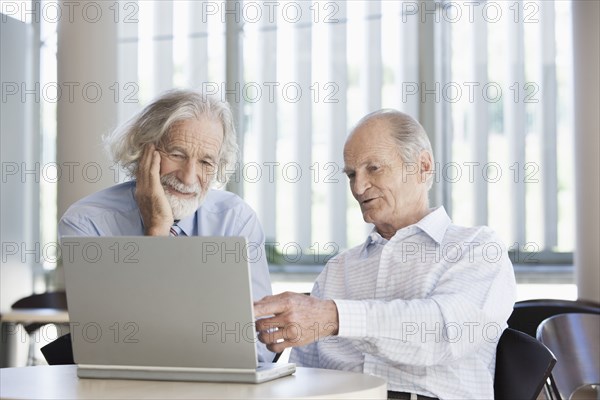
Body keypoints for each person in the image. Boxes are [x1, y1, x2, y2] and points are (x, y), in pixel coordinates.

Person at [254, 109, 517, 399]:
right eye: (352, 174)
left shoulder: (476, 249)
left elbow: (443, 332)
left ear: (423, 167)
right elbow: (305, 375)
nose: (358, 187)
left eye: (374, 168)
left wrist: (334, 316)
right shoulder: (338, 270)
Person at [59, 89, 274, 362]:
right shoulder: (87, 222)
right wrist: (158, 231)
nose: (188, 177)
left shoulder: (235, 220)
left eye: (206, 161)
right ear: (143, 150)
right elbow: (105, 346)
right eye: (177, 154)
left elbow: (258, 346)